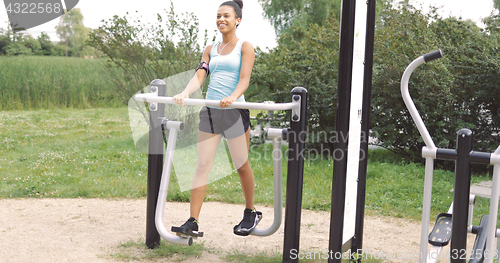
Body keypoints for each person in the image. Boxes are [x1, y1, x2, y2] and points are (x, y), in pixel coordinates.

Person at [171, 0, 261, 237]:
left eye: (226, 16)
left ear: (237, 20)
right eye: (218, 16)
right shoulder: (210, 49)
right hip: (210, 111)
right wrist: (185, 93)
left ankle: (250, 212)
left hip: (234, 112)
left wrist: (232, 97)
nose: (221, 19)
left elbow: (245, 79)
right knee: (202, 165)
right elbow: (200, 75)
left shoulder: (245, 46)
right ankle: (193, 221)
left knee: (241, 165)